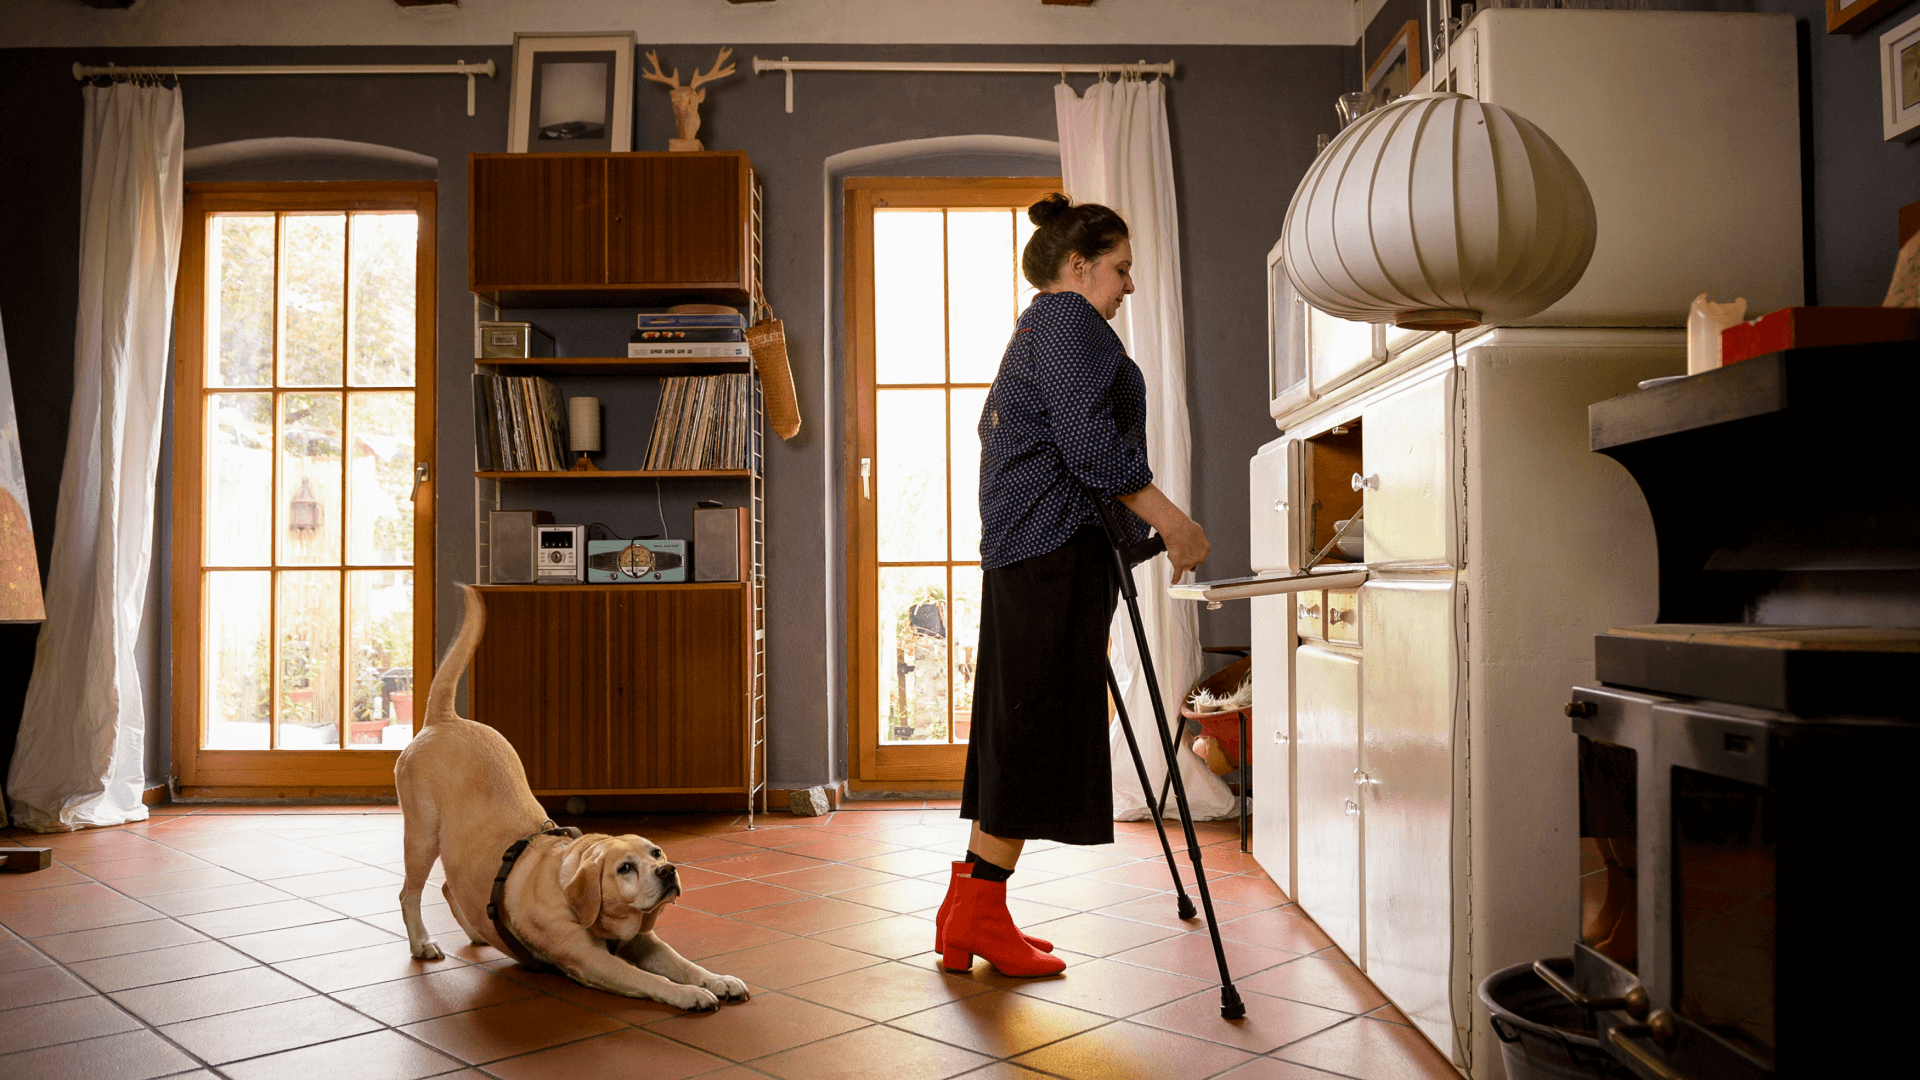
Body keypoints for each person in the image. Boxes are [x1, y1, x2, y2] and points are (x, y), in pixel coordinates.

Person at [934, 193, 1209, 977]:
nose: (1129, 286)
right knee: (1032, 732)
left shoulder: (1043, 327)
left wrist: (1137, 541)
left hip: (1038, 554)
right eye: (1121, 269)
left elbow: (1063, 450)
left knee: (1017, 726)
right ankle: (982, 912)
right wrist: (1177, 525)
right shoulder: (1066, 321)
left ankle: (966, 911)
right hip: (1051, 556)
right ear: (1078, 266)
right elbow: (1091, 448)